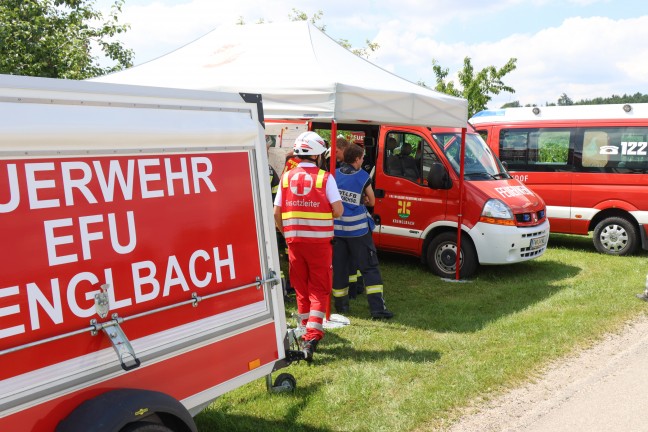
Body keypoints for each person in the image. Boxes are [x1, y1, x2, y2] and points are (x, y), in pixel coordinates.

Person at [274, 131, 344, 362]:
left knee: (301, 288)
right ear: (317, 154)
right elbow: (338, 210)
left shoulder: (286, 177)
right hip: (319, 243)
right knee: (319, 288)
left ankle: (305, 331)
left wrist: (287, 233)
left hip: (294, 242)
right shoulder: (325, 178)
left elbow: (277, 212)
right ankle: (312, 337)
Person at [332, 143, 394, 319]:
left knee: (340, 268)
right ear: (357, 159)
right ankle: (377, 310)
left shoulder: (333, 174)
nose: (363, 160)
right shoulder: (363, 176)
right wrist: (362, 200)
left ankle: (341, 307)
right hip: (359, 231)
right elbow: (372, 201)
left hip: (338, 230)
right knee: (370, 268)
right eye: (362, 158)